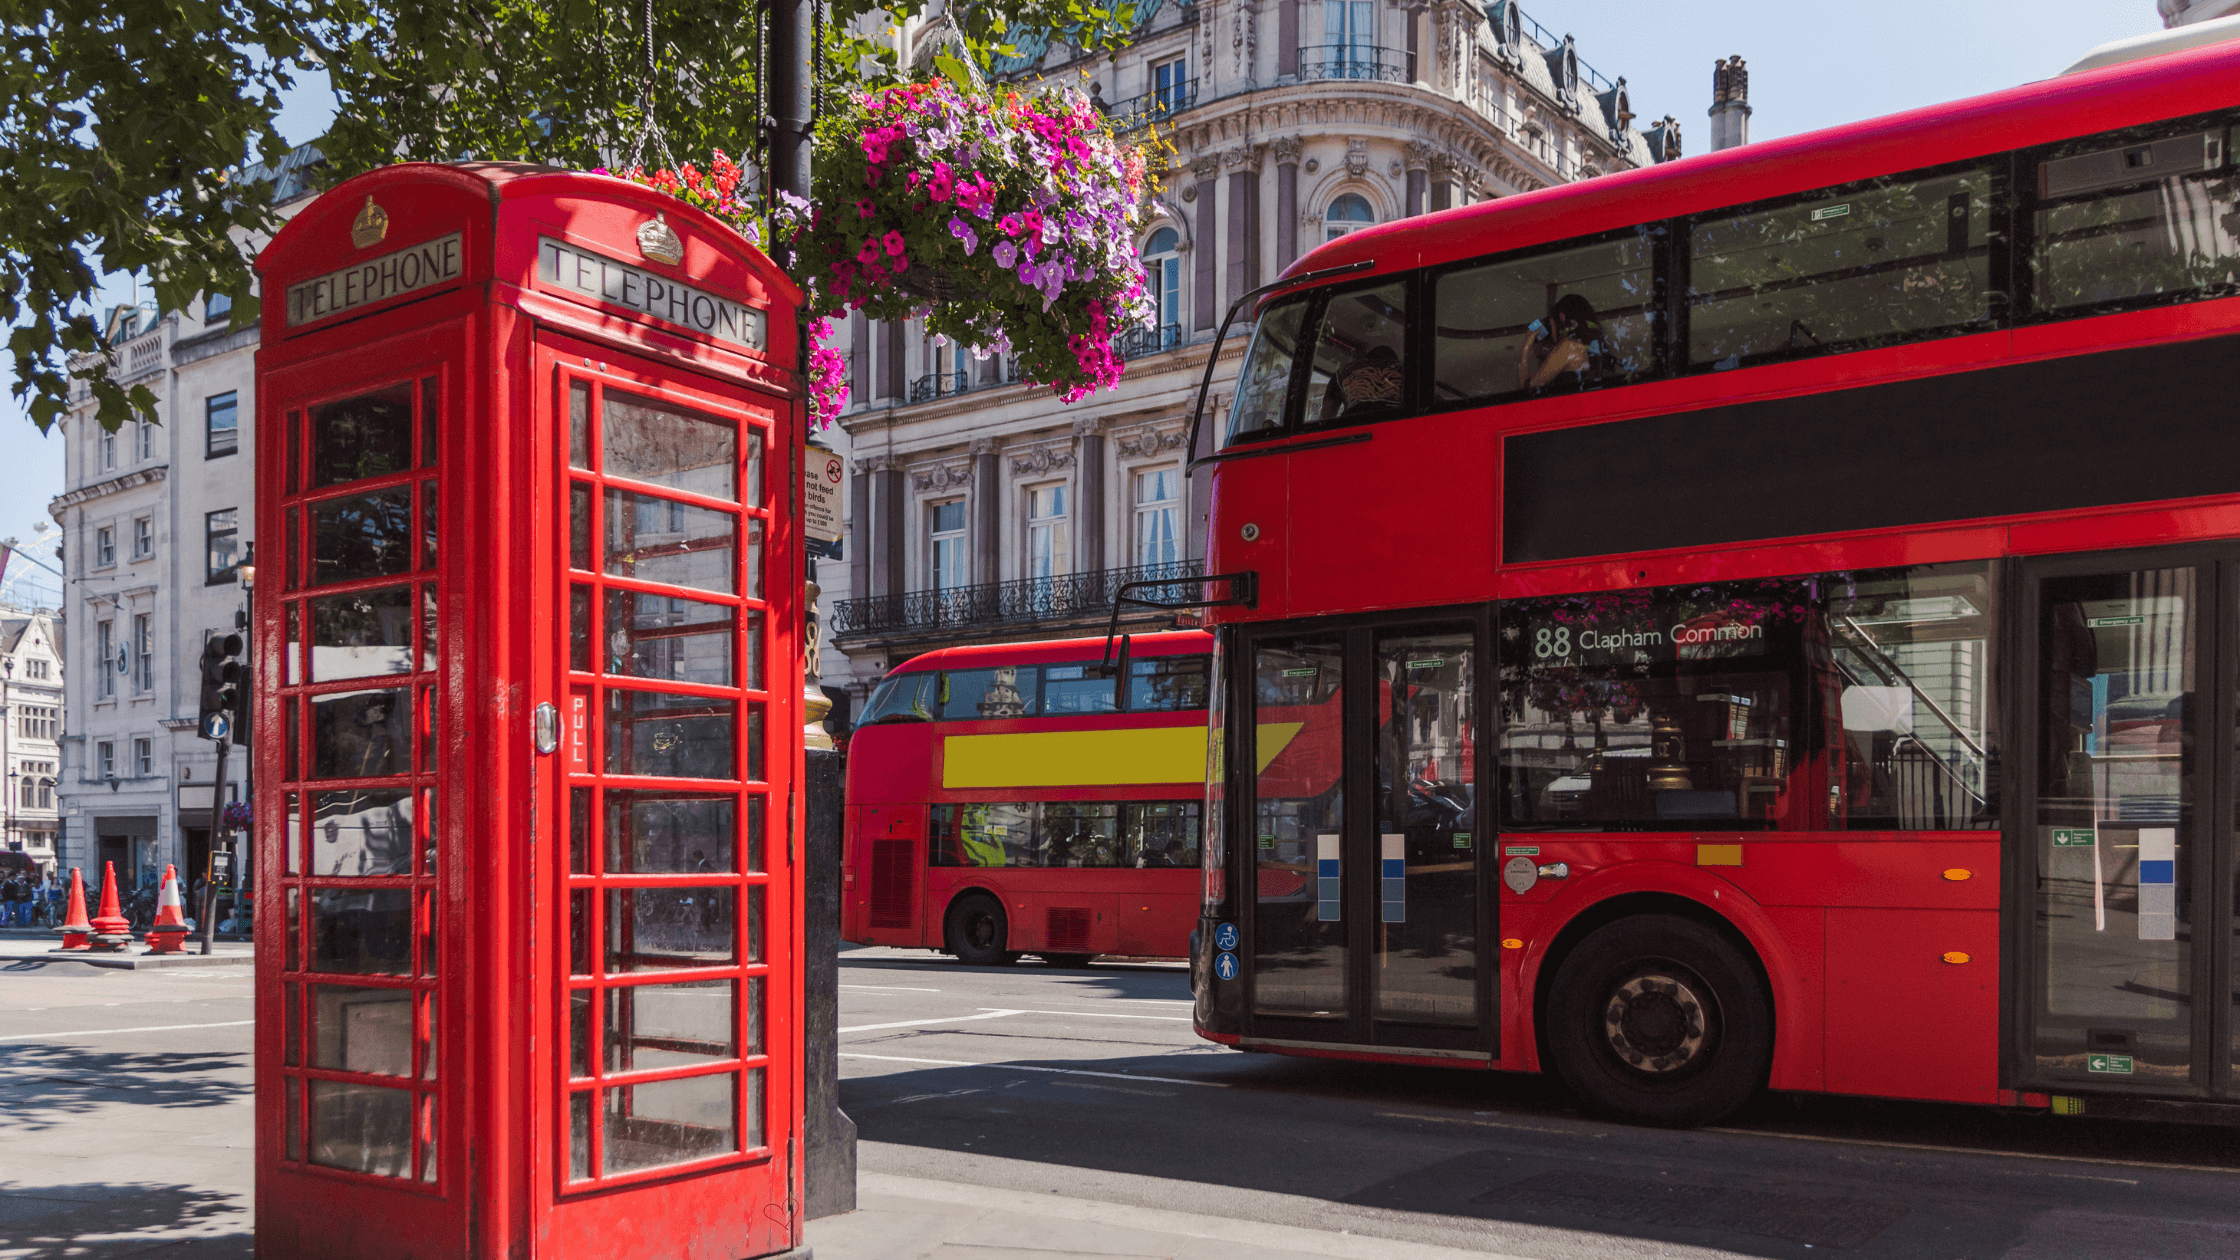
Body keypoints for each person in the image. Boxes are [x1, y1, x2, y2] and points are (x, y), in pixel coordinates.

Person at [1516, 293, 1606, 392]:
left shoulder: (1568, 346)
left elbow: (1528, 388)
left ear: (1562, 317)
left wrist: (1525, 349)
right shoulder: (1595, 347)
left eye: (1551, 324)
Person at [1321, 344, 1404, 422]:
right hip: (1392, 419)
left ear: (1365, 360)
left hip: (1354, 420)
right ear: (1394, 360)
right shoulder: (1403, 369)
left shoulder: (1342, 372)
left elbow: (1327, 414)